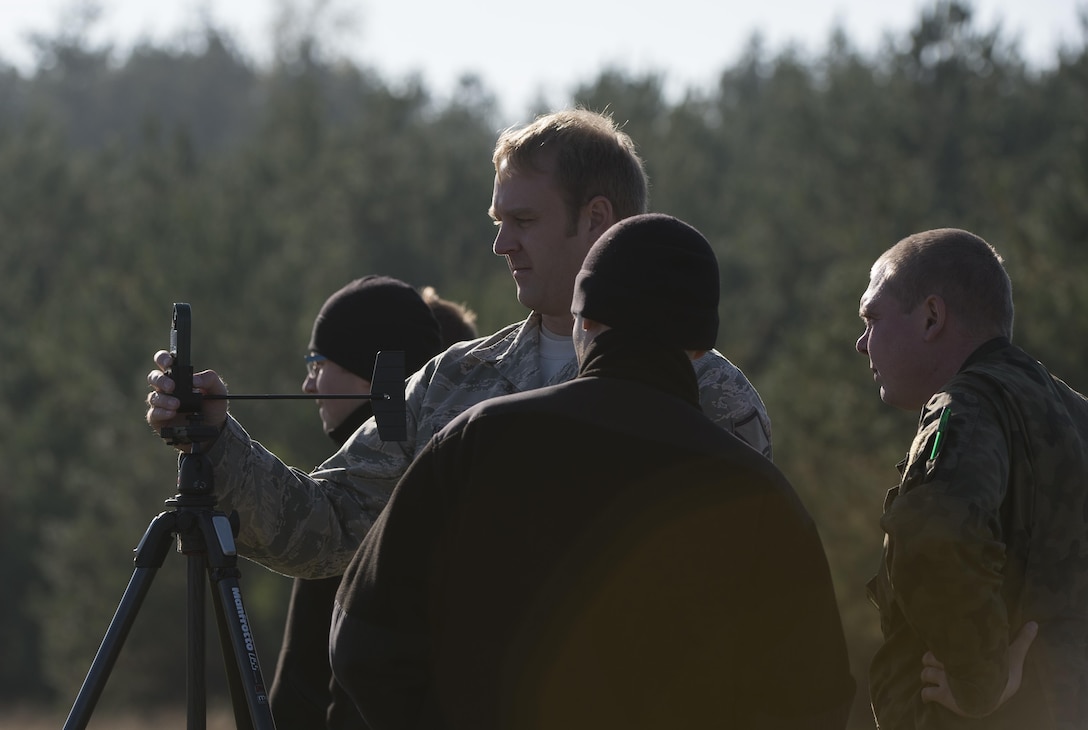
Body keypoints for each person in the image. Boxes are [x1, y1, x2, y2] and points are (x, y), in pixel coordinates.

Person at [144, 107, 771, 583]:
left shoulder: (710, 396)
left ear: (597, 219)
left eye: (523, 221)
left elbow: (743, 588)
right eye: (498, 224)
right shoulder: (453, 382)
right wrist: (218, 441)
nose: (502, 246)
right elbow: (329, 526)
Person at [329, 213, 855, 730]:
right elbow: (813, 701)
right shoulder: (757, 495)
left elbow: (361, 634)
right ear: (698, 347)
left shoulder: (477, 440)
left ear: (585, 322)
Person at [856, 227, 1088, 729]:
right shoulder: (1074, 415)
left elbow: (935, 531)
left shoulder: (965, 405)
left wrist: (979, 680)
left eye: (872, 317)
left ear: (932, 317)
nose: (861, 342)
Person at [268, 277, 476, 728]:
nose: (307, 384)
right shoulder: (462, 474)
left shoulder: (354, 500)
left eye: (317, 361)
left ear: (371, 370)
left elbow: (300, 693)